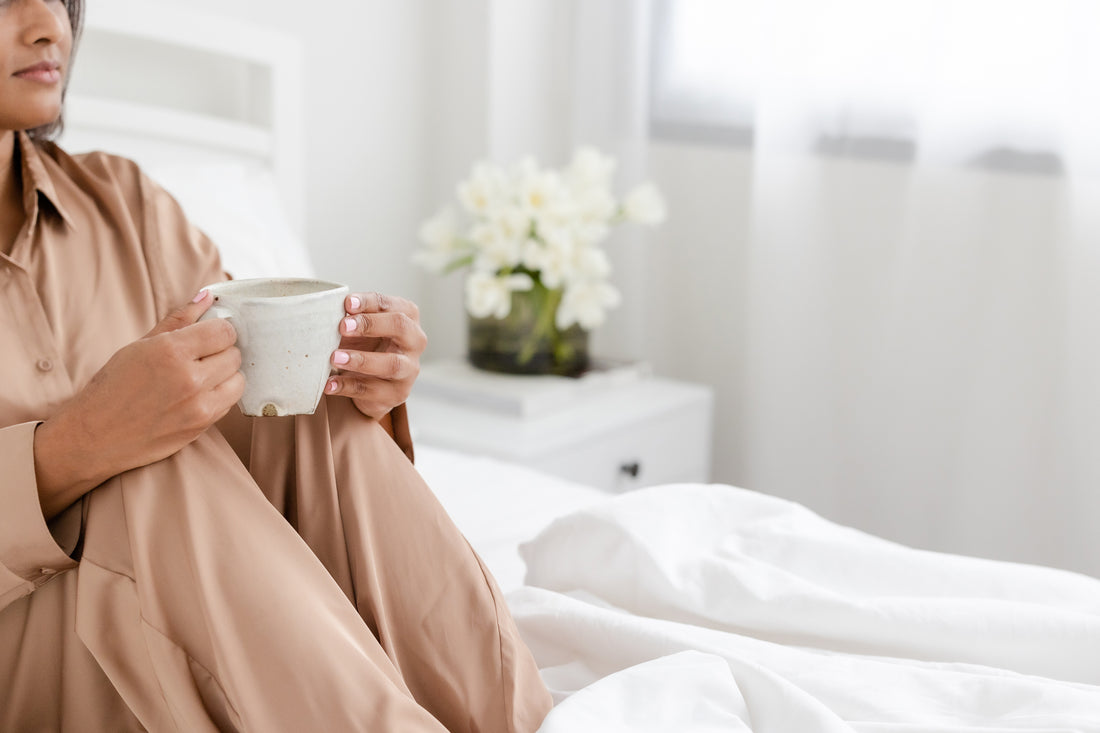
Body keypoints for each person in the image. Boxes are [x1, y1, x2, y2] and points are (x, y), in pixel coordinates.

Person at [0, 0, 553, 730]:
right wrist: (81, 442)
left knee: (297, 400)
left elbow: (258, 455)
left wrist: (360, 383)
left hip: (171, 622)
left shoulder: (126, 203)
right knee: (155, 462)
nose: (51, 26)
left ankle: (516, 718)